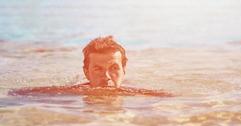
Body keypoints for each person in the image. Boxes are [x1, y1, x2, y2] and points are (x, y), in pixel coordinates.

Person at [9, 36, 172, 97]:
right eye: (97, 69)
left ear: (124, 70)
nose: (107, 77)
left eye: (114, 68)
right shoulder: (76, 91)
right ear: (86, 73)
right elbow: (18, 92)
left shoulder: (133, 92)